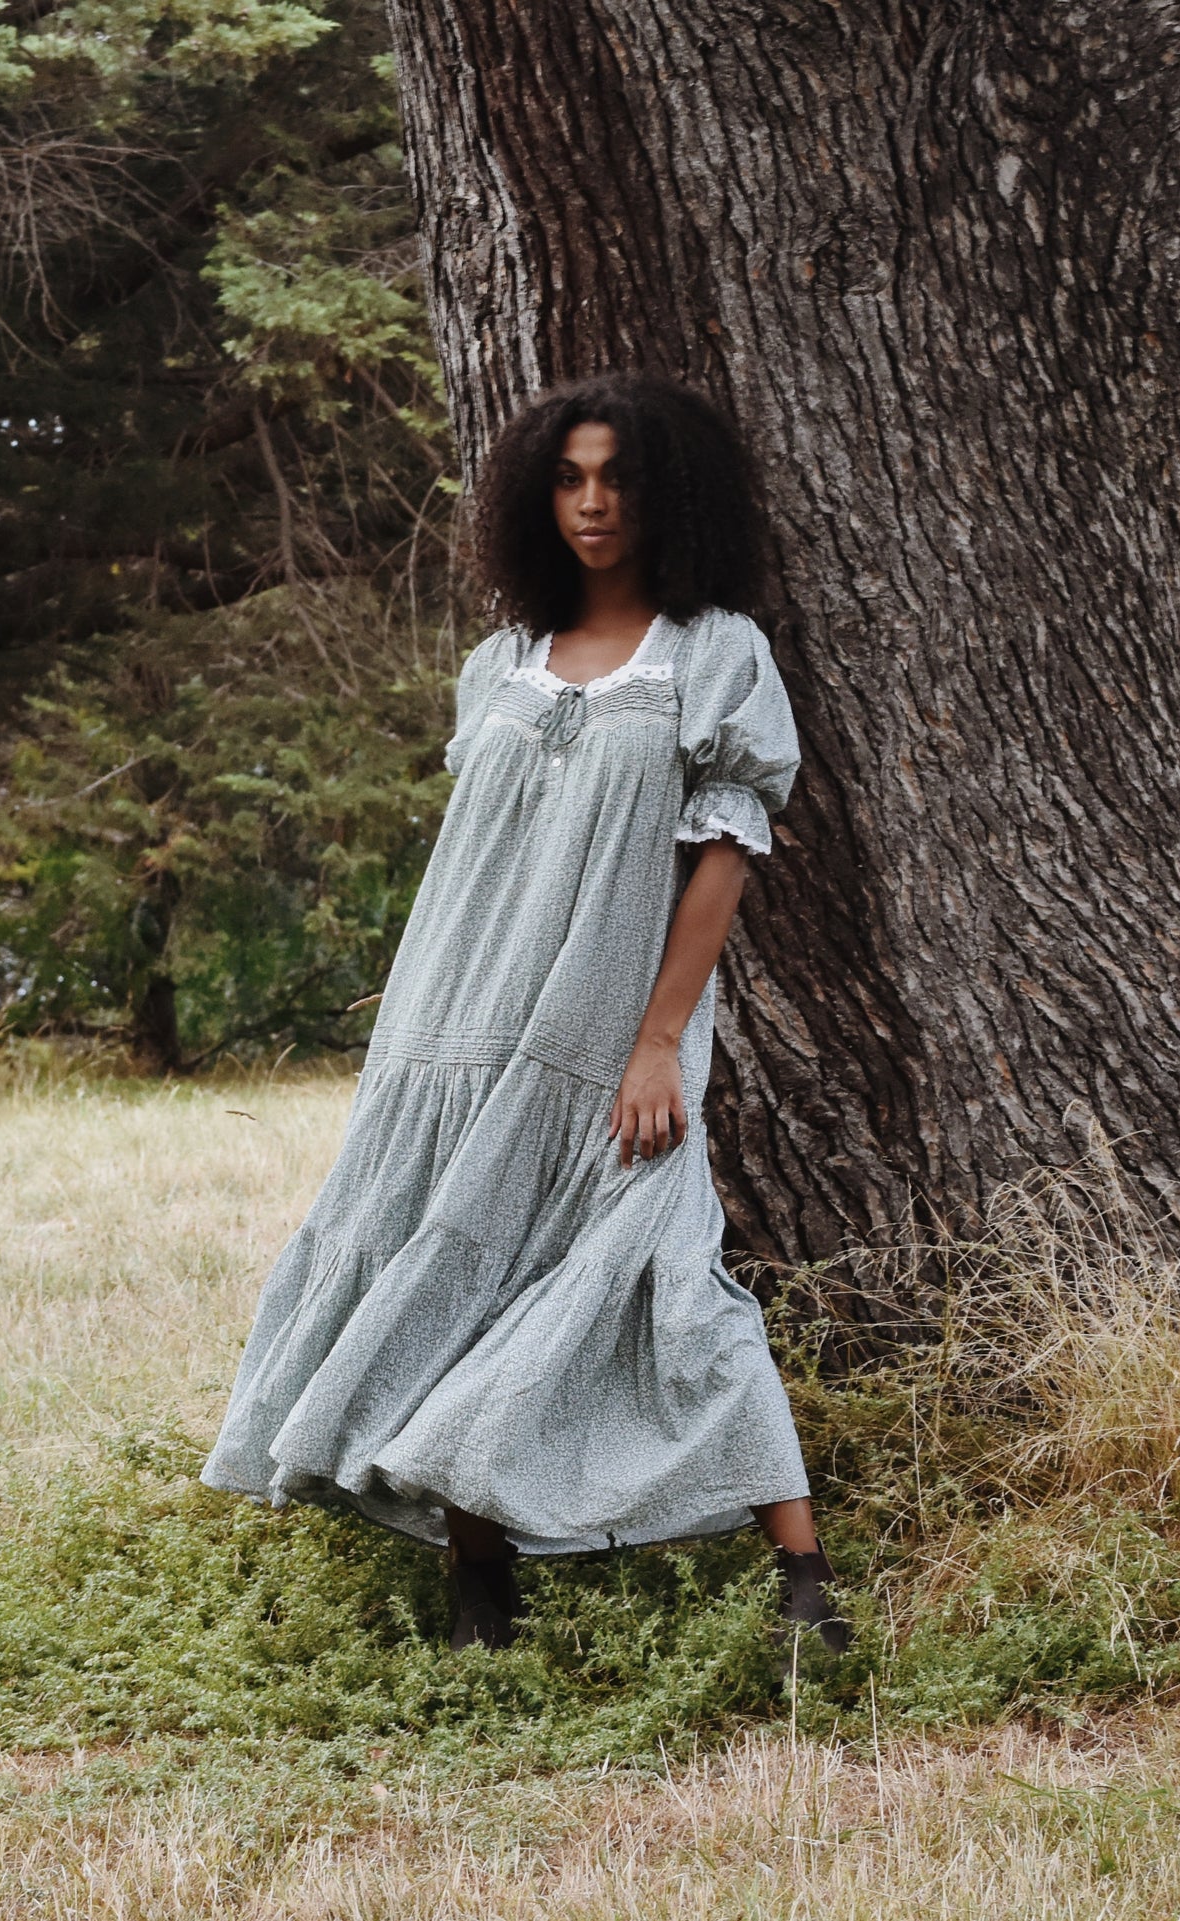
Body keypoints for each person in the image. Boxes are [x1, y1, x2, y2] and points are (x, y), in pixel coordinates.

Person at [200, 369, 849, 1662]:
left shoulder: (712, 652)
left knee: (674, 1276)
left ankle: (804, 1585)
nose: (592, 501)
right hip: (449, 1023)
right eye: (568, 475)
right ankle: (478, 1590)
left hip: (609, 1034)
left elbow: (722, 852)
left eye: (616, 476)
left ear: (668, 494)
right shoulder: (497, 665)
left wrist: (658, 1039)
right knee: (446, 1272)